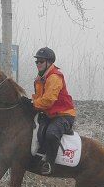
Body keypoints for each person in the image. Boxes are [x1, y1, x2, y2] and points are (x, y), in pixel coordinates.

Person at [25, 47, 76, 175]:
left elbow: (48, 100)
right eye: (36, 61)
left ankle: (49, 164)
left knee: (51, 134)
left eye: (41, 61)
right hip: (49, 114)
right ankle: (35, 157)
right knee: (35, 130)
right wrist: (27, 102)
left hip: (64, 115)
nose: (38, 64)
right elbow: (38, 98)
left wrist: (32, 104)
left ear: (49, 62)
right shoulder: (39, 78)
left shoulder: (54, 77)